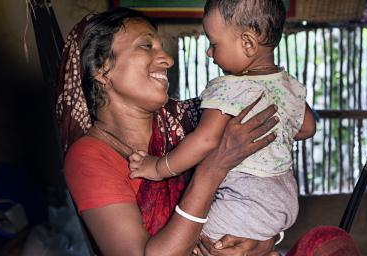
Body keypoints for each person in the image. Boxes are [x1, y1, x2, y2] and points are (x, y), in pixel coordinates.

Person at [57, 8, 281, 255]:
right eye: (146, 45)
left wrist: (263, 242)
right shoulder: (89, 158)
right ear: (102, 68)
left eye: (160, 46)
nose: (167, 59)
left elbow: (285, 124)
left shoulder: (198, 121)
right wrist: (212, 169)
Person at [128, 0, 316, 244]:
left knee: (188, 241)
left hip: (246, 199)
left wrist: (156, 168)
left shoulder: (229, 87)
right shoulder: (288, 84)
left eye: (214, 44)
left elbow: (205, 140)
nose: (209, 52)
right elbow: (307, 127)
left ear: (248, 43)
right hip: (285, 197)